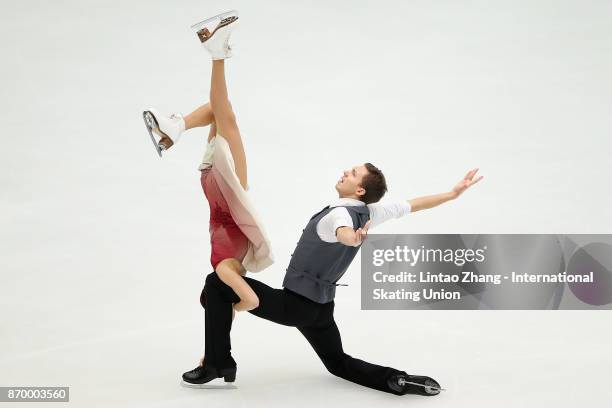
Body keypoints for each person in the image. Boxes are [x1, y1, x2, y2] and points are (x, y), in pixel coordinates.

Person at [177, 11, 484, 397]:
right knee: (337, 363)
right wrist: (452, 194)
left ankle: (219, 361)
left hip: (297, 305)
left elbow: (341, 232)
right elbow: (413, 204)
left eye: (352, 173)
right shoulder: (370, 210)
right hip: (321, 308)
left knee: (216, 284)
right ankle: (399, 380)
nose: (345, 172)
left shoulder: (339, 215)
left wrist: (352, 240)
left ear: (358, 190)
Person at [142, 10, 274, 367]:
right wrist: (211, 351)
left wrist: (237, 300)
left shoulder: (226, 271)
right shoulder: (225, 269)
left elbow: (252, 302)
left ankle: (217, 52)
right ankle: (176, 126)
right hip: (218, 188)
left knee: (225, 113)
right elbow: (232, 311)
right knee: (221, 113)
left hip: (230, 189)